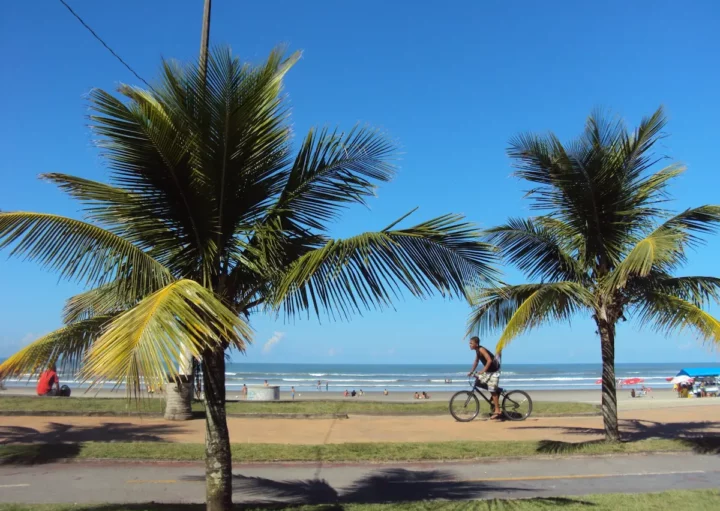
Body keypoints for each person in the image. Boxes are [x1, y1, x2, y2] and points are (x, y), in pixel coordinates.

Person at [467, 336, 502, 420]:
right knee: (478, 381)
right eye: (470, 343)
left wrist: (483, 370)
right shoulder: (477, 351)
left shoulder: (481, 349)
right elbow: (476, 361)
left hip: (494, 371)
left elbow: (489, 360)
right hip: (489, 371)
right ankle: (498, 390)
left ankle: (497, 410)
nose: (470, 345)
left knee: (492, 390)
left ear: (476, 344)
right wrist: (471, 371)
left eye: (471, 343)